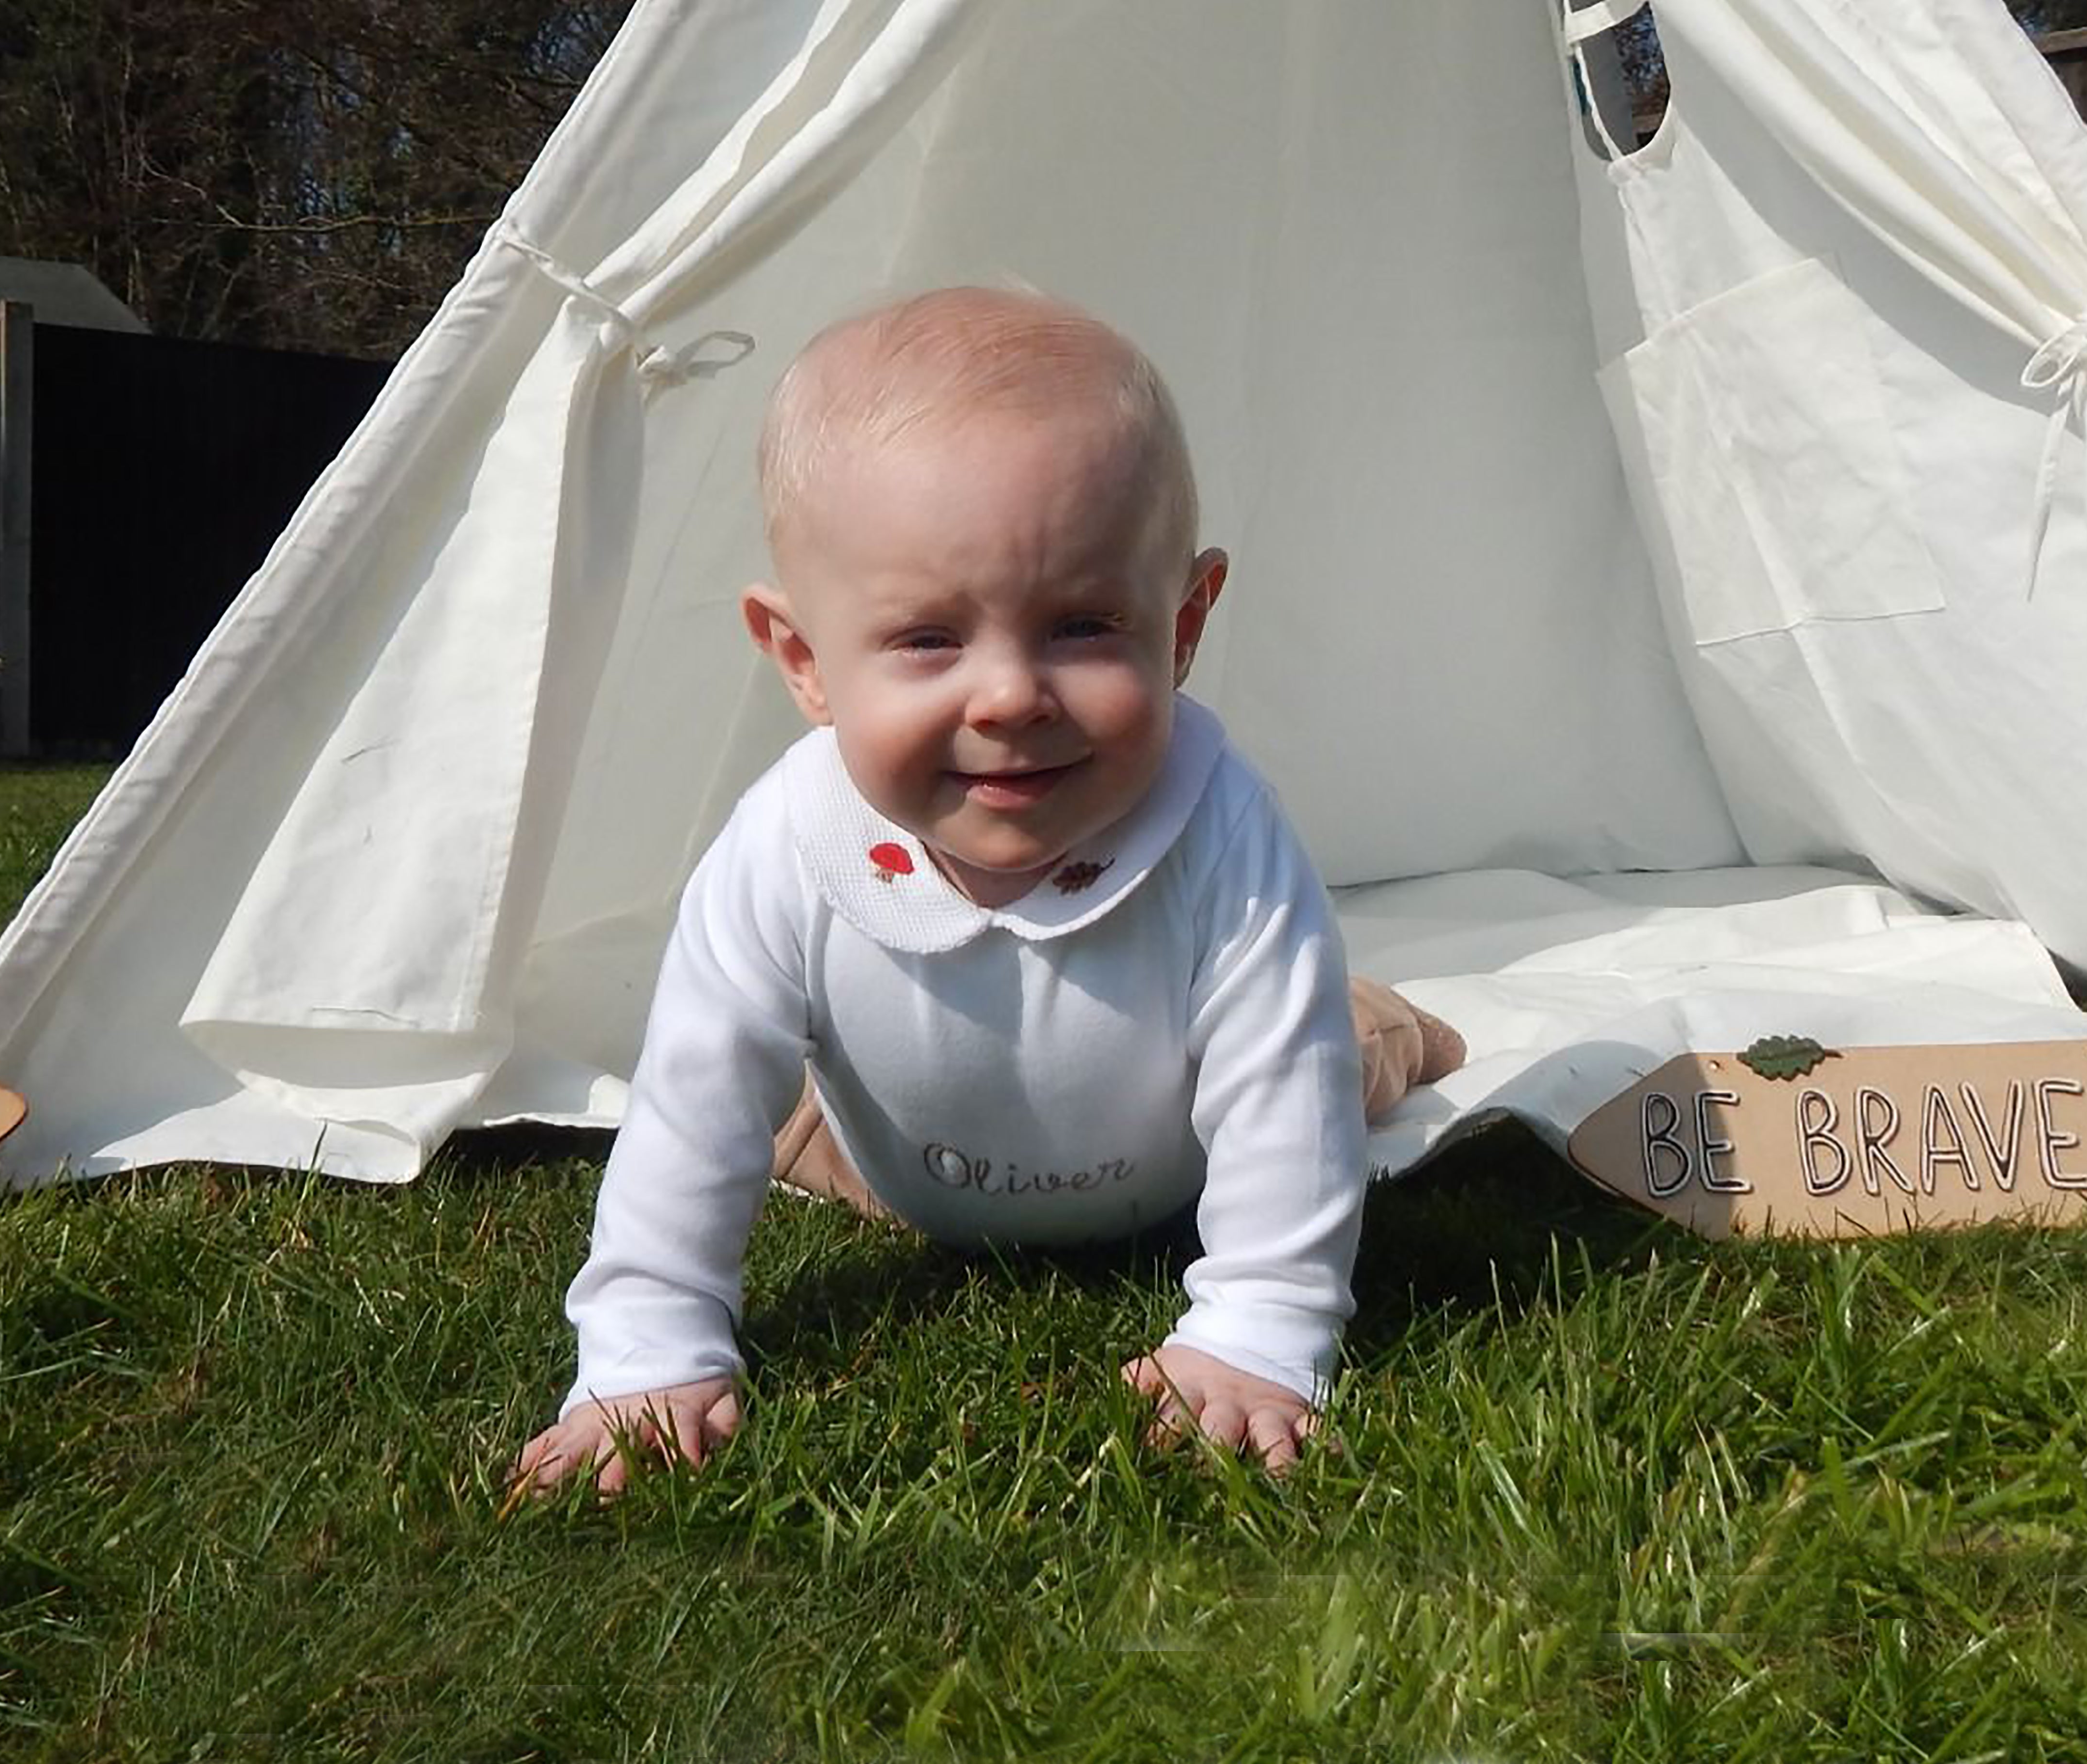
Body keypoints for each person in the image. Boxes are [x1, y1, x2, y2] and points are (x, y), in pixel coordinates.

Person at [512, 287, 1460, 1497]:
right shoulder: (784, 849)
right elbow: (695, 1104)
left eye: (1080, 627)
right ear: (804, 661)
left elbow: (1277, 1093)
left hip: (1181, 1148)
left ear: (1183, 627)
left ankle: (1407, 1024)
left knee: (1337, 1045)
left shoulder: (1221, 830)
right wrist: (647, 1349)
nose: (1010, 697)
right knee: (771, 1111)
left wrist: (1259, 1332)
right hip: (904, 1160)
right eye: (924, 640)